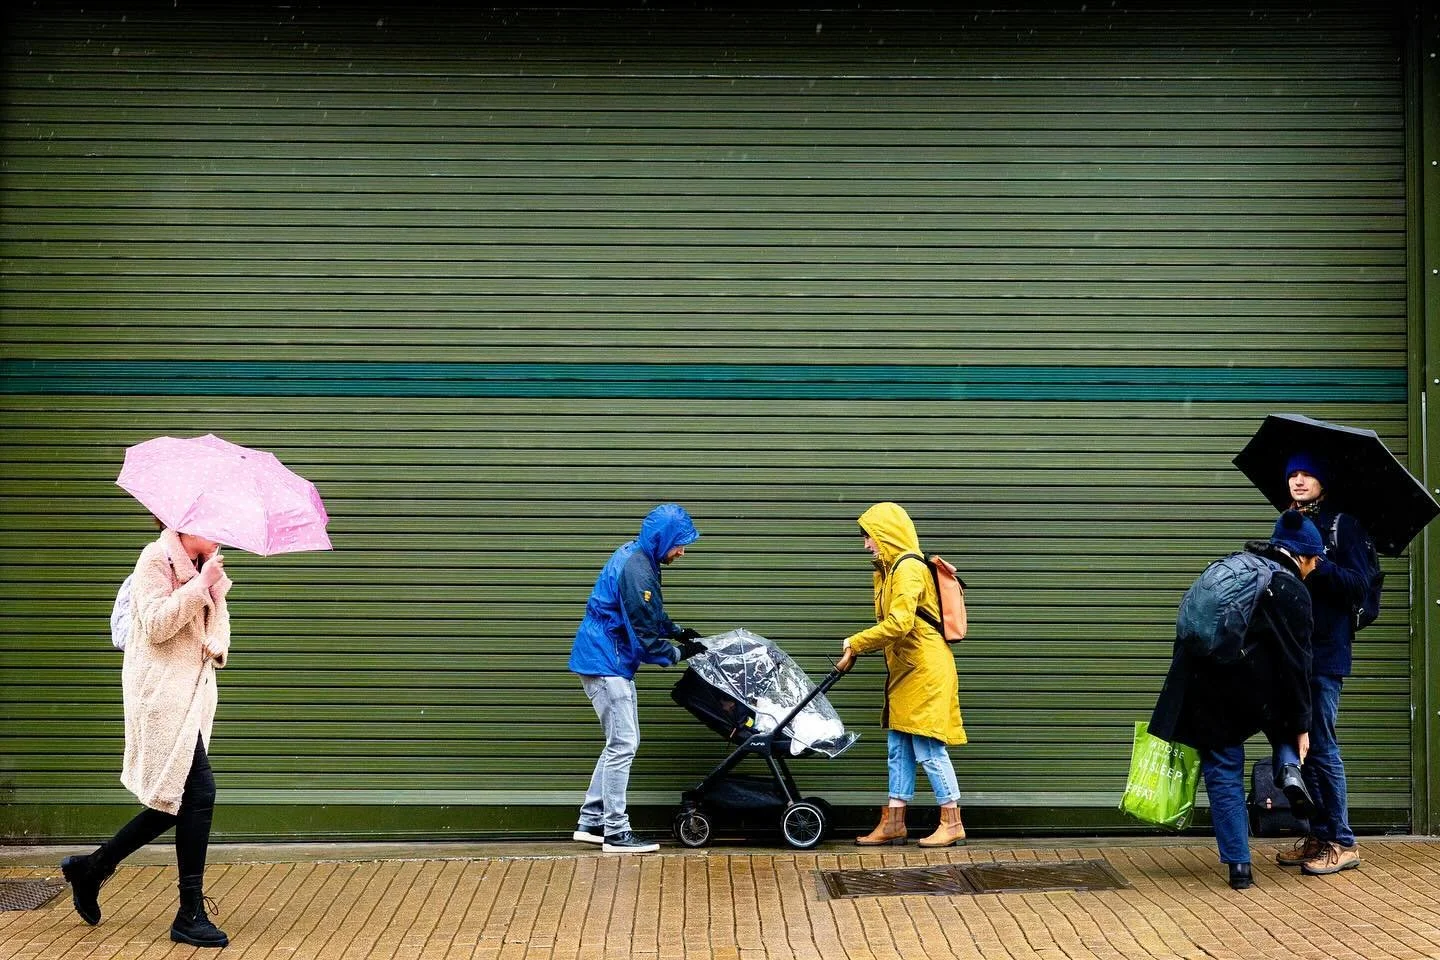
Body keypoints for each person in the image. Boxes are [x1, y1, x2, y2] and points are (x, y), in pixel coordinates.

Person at [60, 524, 233, 948]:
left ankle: (93, 867)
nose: (221, 534)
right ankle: (188, 912)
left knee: (178, 801)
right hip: (161, 696)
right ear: (186, 525)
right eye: (213, 524)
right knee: (200, 792)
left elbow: (215, 630)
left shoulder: (202, 564)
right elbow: (155, 625)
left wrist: (216, 612)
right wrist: (200, 589)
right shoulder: (154, 559)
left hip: (192, 695)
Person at [1149, 510, 1321, 890]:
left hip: (1208, 686)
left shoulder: (1233, 567)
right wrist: (1301, 725)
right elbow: (1297, 664)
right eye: (1316, 558)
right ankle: (1289, 770)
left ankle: (1239, 867)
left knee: (1223, 770)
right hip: (1259, 691)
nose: (1316, 565)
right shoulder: (1292, 590)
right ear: (1302, 556)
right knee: (1286, 729)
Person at [568, 503, 703, 854]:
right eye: (680, 544)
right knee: (624, 744)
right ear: (664, 540)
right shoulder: (638, 570)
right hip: (606, 662)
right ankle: (615, 831)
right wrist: (676, 653)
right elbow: (643, 635)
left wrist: (676, 631)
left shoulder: (640, 557)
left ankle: (591, 820)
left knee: (618, 742)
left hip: (602, 658)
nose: (682, 552)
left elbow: (650, 611)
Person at [836, 502, 968, 848]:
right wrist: (857, 649)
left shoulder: (908, 568)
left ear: (887, 534)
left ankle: (951, 820)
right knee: (898, 747)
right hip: (906, 670)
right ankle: (894, 821)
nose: (866, 544)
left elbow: (898, 624)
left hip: (925, 669)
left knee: (927, 746)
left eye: (870, 536)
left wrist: (855, 642)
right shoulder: (888, 570)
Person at [1276, 452, 1369, 875]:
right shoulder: (1287, 522)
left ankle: (1342, 841)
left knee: (1323, 744)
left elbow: (1359, 584)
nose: (1297, 481)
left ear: (1322, 482)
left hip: (1327, 650)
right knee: (1301, 745)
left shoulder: (1342, 524)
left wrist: (1317, 566)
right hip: (1293, 648)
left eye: (1307, 474)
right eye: (1292, 475)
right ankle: (1317, 834)